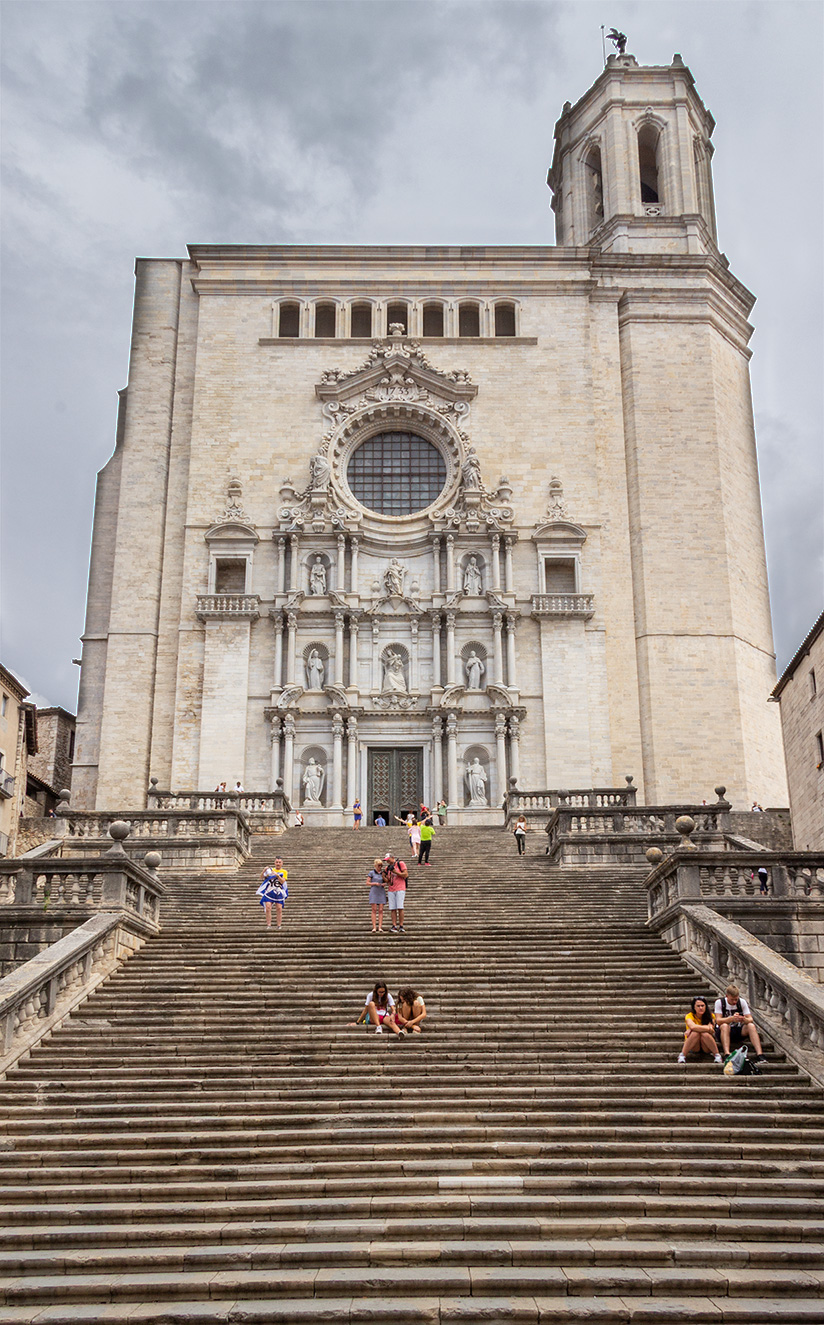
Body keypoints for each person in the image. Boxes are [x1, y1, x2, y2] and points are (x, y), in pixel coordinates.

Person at [714, 985, 766, 1062]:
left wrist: (743, 1019)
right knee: (725, 1026)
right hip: (723, 1031)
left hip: (738, 1030)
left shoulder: (741, 1002)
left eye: (736, 999)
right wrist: (731, 1019)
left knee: (751, 1026)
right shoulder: (720, 1002)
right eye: (732, 1000)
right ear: (727, 996)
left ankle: (760, 1054)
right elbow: (718, 1020)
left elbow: (750, 1019)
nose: (734, 1002)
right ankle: (727, 1053)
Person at [678, 996, 722, 1064]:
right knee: (695, 1033)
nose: (701, 1008)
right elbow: (693, 1026)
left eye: (702, 1005)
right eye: (698, 1006)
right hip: (694, 1044)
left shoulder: (711, 1016)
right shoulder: (689, 1016)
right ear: (694, 1007)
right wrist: (705, 1028)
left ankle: (717, 1054)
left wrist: (694, 1028)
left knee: (704, 1034)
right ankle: (682, 1055)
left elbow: (711, 1029)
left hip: (706, 1044)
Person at [256, 857, 288, 930]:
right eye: (277, 862)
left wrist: (277, 875)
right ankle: (269, 925)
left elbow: (283, 881)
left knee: (279, 908)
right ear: (274, 863)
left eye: (279, 862)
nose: (278, 864)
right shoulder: (270, 871)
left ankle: (279, 925)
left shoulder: (284, 872)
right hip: (269, 891)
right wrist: (264, 871)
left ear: (282, 863)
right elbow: (261, 877)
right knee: (268, 907)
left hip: (278, 891)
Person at [383, 852, 409, 933]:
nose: (388, 862)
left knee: (400, 907)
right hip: (391, 889)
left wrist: (395, 872)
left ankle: (401, 925)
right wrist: (384, 876)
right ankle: (394, 925)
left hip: (400, 888)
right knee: (392, 908)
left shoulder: (400, 863)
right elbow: (387, 880)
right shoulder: (388, 868)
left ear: (392, 857)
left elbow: (405, 874)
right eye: (386, 861)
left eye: (389, 860)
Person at [367, 857, 387, 932]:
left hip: (381, 891)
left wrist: (384, 884)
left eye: (381, 866)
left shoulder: (383, 873)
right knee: (374, 909)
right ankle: (374, 927)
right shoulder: (371, 873)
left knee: (381, 910)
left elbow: (387, 880)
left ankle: (380, 927)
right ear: (375, 865)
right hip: (374, 891)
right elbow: (367, 883)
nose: (380, 867)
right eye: (379, 865)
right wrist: (374, 883)